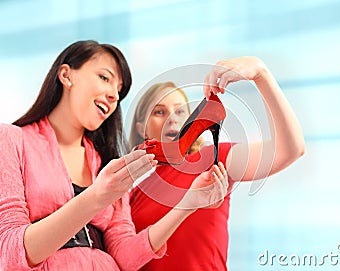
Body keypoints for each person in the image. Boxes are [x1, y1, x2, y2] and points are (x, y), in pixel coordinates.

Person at [0, 40, 229, 271]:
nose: (113, 95)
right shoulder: (12, 140)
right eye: (104, 78)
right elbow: (9, 253)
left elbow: (125, 258)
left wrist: (188, 204)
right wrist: (97, 196)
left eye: (119, 91)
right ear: (66, 76)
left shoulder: (106, 166)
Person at [129, 56, 306, 270]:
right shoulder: (131, 195)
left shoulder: (212, 159)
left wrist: (261, 75)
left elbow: (290, 149)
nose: (171, 119)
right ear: (142, 129)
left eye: (180, 111)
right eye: (159, 112)